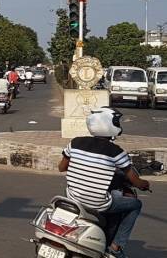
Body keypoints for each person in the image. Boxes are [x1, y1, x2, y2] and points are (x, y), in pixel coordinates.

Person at [57, 107, 150, 258]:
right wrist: (144, 184)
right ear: (109, 124)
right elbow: (136, 181)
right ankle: (116, 247)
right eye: (116, 121)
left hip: (73, 197)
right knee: (135, 205)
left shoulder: (75, 143)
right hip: (99, 203)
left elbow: (61, 167)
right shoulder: (116, 151)